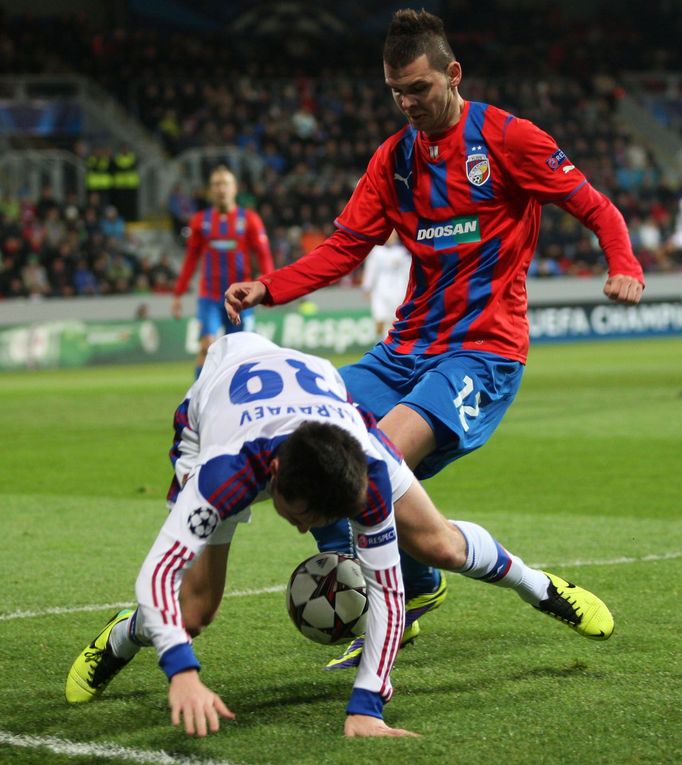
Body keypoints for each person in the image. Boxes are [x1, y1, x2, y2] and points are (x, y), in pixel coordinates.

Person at [224, 8, 644, 668]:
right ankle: (417, 592)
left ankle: (514, 585)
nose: (408, 104)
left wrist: (623, 261)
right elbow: (342, 247)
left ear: (453, 74)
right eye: (397, 93)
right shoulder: (395, 160)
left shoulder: (508, 138)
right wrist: (269, 287)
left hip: (483, 350)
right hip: (406, 349)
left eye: (419, 89)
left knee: (371, 460)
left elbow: (594, 204)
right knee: (309, 448)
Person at [64, 333, 614, 738]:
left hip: (326, 412)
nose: (305, 528)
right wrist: (180, 670)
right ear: (273, 479)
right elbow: (156, 571)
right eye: (301, 515)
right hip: (218, 415)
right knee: (193, 611)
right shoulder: (221, 473)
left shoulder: (365, 467)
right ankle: (121, 637)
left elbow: (391, 593)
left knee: (436, 544)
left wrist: (367, 704)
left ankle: (538, 586)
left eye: (317, 518)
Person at [172, 166, 274, 378]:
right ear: (210, 190)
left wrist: (271, 289)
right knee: (206, 347)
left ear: (235, 188)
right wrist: (178, 294)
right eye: (216, 184)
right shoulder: (200, 220)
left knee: (242, 354)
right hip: (209, 297)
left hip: (242, 299)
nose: (221, 189)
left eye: (225, 183)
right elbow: (191, 259)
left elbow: (263, 255)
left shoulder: (249, 219)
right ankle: (197, 402)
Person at [362, 230, 412, 339]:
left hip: (398, 291)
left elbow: (408, 272)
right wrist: (367, 287)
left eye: (393, 234)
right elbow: (371, 270)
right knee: (379, 319)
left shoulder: (403, 252)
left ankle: (391, 344)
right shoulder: (376, 251)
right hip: (380, 291)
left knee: (394, 321)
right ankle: (378, 343)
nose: (391, 236)